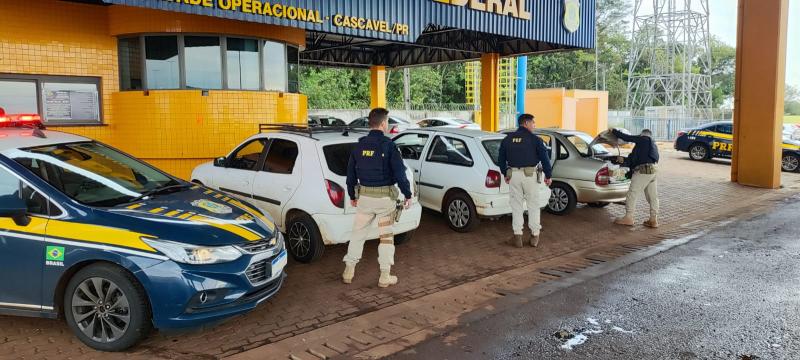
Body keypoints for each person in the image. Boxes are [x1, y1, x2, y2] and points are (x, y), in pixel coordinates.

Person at [343, 108, 412, 288]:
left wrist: (352, 195)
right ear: (383, 123)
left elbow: (350, 176)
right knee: (386, 238)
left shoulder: (358, 146)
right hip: (384, 202)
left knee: (357, 235)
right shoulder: (389, 145)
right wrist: (408, 194)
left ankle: (349, 270)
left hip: (364, 200)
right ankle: (384, 276)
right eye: (387, 122)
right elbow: (400, 173)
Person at [498, 114, 552, 248]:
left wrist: (505, 172)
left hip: (514, 175)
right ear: (526, 123)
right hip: (530, 176)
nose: (534, 125)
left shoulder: (507, 139)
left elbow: (501, 159)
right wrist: (548, 175)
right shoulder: (535, 140)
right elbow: (545, 159)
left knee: (516, 206)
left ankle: (517, 237)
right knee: (533, 205)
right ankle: (534, 236)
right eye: (533, 122)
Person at [611, 128, 660, 228]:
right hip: (653, 171)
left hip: (643, 171)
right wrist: (624, 160)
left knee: (632, 193)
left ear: (642, 135)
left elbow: (627, 137)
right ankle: (653, 220)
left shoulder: (643, 139)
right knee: (652, 197)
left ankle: (628, 217)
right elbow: (637, 158)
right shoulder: (652, 144)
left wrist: (614, 131)